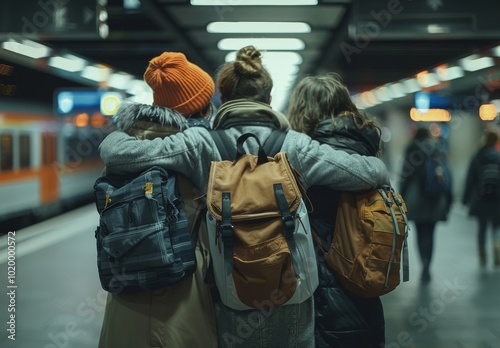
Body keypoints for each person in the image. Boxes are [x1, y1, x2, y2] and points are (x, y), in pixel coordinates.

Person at [98, 45, 390, 347]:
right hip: (292, 294)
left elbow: (119, 154)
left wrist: (119, 131)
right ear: (270, 99)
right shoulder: (295, 145)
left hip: (231, 294)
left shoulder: (200, 144)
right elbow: (368, 173)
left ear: (221, 99)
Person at [98, 51, 218, 348]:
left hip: (126, 286)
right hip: (185, 282)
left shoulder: (122, 144)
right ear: (199, 106)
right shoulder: (199, 145)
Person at [287, 72, 386, 348]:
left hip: (324, 285)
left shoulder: (312, 155)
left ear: (301, 110)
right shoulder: (367, 145)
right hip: (365, 278)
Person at [399, 127, 452, 283]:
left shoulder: (411, 150)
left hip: (417, 198)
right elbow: (447, 174)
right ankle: (428, 264)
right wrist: (448, 199)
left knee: (421, 232)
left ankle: (423, 263)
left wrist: (401, 197)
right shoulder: (437, 149)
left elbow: (405, 176)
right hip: (435, 197)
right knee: (431, 232)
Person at [462, 129, 500, 267]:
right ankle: (497, 247)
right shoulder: (498, 156)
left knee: (482, 228)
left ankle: (482, 253)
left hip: (481, 198)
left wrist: (465, 199)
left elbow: (470, 179)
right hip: (496, 200)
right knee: (496, 226)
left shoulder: (477, 156)